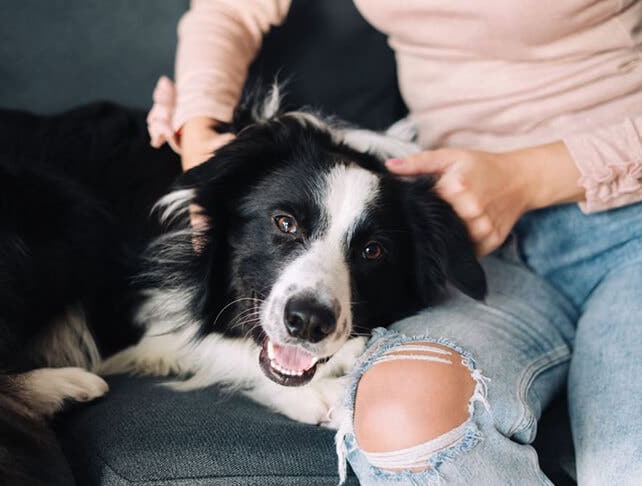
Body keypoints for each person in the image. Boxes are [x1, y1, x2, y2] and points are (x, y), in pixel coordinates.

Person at [147, 1, 642, 484]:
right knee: (402, 422)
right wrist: (200, 139)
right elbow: (230, 9)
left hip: (629, 227)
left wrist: (526, 177)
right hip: (475, 246)